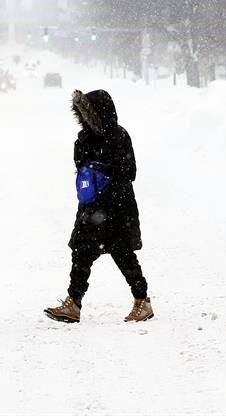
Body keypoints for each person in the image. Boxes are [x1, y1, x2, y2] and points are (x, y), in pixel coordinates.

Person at [45, 89, 153, 324]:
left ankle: (142, 301)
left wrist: (105, 182)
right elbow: (80, 167)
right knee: (81, 251)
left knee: (122, 252)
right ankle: (73, 303)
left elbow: (129, 172)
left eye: (88, 114)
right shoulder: (84, 138)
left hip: (116, 208)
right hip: (91, 207)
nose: (84, 119)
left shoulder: (119, 137)